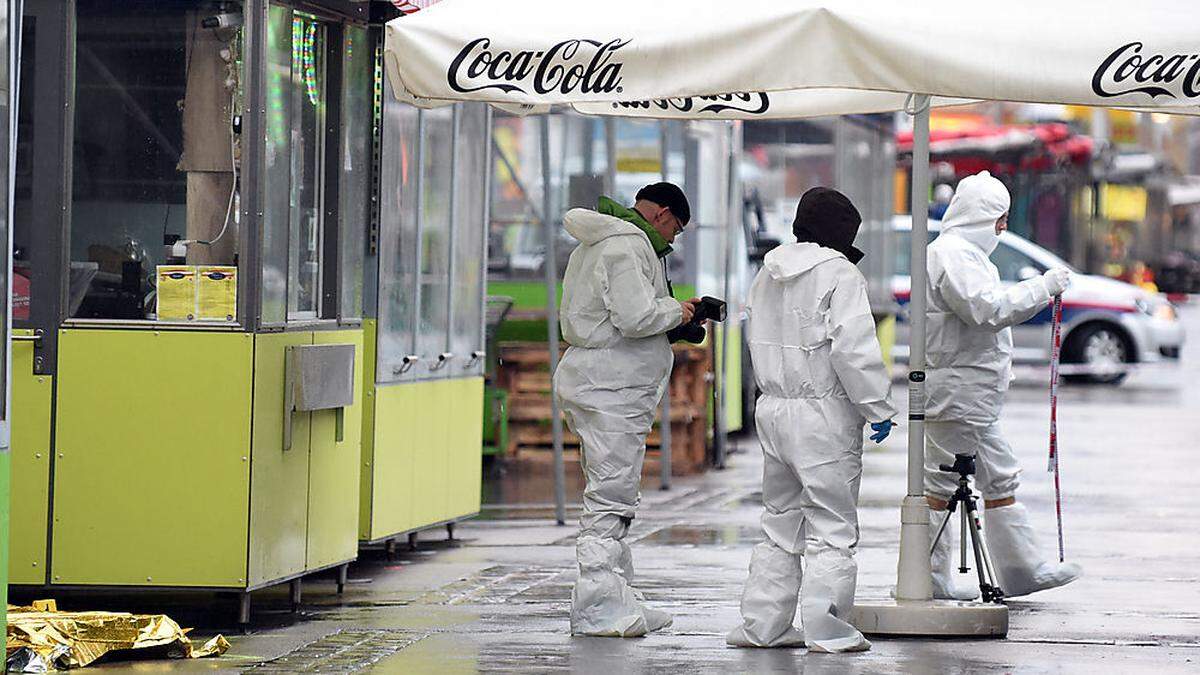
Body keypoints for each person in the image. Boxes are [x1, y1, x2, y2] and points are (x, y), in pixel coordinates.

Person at [727, 187, 896, 653]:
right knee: (832, 526)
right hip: (823, 414)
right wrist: (878, 408)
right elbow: (853, 350)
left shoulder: (767, 273)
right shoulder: (839, 274)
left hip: (774, 408)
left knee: (779, 523)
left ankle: (764, 626)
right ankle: (828, 630)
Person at [924, 171, 1081, 600]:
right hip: (958, 394)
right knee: (940, 487)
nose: (1003, 229)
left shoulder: (967, 256)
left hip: (971, 396)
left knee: (1000, 477)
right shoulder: (952, 254)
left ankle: (1022, 570)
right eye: (1000, 219)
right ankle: (929, 584)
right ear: (981, 217)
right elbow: (986, 310)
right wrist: (1042, 287)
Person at [555, 182, 699, 637]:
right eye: (676, 228)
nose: (674, 239)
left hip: (605, 381)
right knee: (610, 497)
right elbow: (635, 318)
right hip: (611, 385)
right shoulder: (626, 247)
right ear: (662, 214)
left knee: (616, 493)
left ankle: (619, 599)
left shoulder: (607, 243)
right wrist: (679, 312)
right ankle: (597, 609)